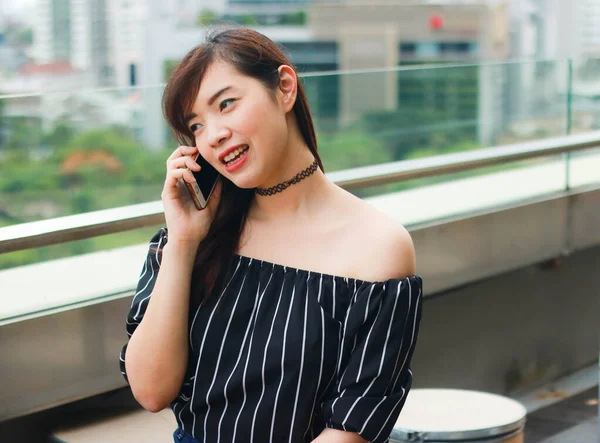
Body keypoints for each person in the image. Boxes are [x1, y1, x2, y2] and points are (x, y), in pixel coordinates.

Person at [119, 27, 423, 443]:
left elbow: (352, 428)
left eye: (226, 104)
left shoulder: (378, 247)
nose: (214, 135)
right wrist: (184, 241)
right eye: (196, 126)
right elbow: (151, 391)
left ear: (284, 88)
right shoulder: (192, 239)